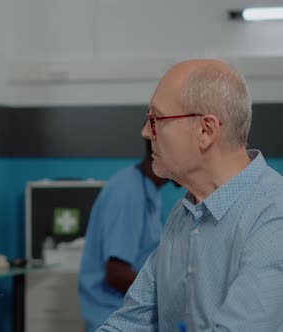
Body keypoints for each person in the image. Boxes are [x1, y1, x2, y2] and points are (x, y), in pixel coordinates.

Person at [97, 59, 283, 331]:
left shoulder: (272, 217)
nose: (146, 132)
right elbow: (130, 322)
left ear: (206, 130)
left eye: (156, 119)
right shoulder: (184, 214)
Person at [78, 140, 169, 331]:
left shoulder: (148, 189)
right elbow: (116, 273)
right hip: (114, 315)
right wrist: (170, 296)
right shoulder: (128, 191)